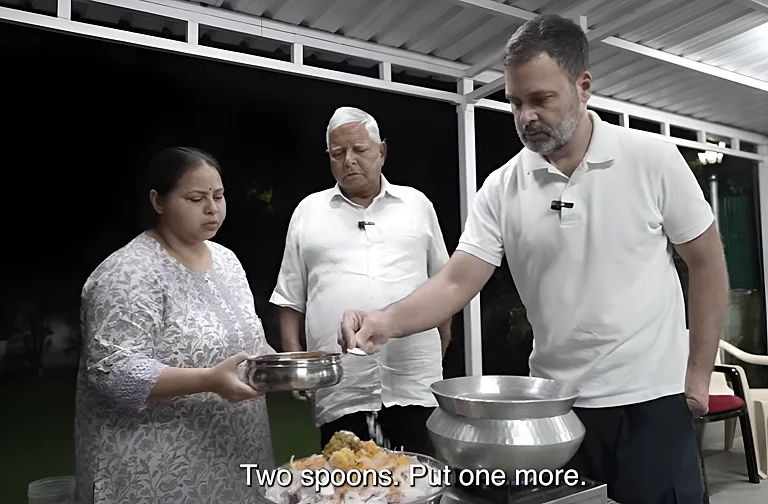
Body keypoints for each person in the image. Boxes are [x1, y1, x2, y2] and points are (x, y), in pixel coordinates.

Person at [339, 15, 728, 504]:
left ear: (583, 86)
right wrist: (384, 321)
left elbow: (707, 263)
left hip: (651, 401)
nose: (526, 117)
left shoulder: (652, 159)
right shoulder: (502, 187)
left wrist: (698, 374)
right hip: (554, 413)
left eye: (541, 99)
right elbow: (457, 282)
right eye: (516, 102)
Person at [74, 147, 275, 503]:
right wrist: (208, 380)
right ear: (158, 201)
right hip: (155, 472)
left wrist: (291, 369)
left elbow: (250, 342)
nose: (212, 208)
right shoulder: (129, 273)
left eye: (218, 196)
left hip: (237, 458)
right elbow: (114, 372)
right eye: (196, 198)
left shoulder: (226, 261)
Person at [270, 106, 452, 455]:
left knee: (419, 475)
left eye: (359, 150)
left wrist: (441, 345)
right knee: (345, 475)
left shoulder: (417, 205)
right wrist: (296, 365)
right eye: (337, 153)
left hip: (414, 380)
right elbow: (290, 299)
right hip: (340, 385)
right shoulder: (309, 211)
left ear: (381, 151)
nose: (348, 161)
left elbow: (444, 286)